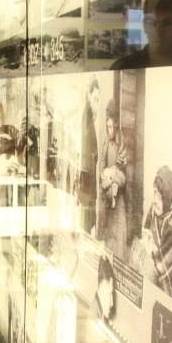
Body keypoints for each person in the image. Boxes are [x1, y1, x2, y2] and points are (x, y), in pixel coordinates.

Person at [145, 166, 172, 303]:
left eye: (160, 197)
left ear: (167, 199)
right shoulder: (154, 209)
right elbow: (146, 231)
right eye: (154, 193)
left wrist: (151, 251)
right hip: (152, 268)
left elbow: (161, 267)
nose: (155, 200)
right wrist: (146, 242)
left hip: (169, 284)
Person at [98, 99, 128, 260]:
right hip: (107, 199)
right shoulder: (104, 143)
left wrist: (112, 176)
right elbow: (101, 170)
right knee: (106, 244)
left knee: (118, 245)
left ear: (116, 124)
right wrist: (105, 178)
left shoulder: (121, 143)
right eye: (107, 126)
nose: (109, 130)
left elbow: (123, 175)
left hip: (119, 201)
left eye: (111, 127)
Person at [78, 78, 100, 235]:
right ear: (88, 96)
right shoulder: (87, 117)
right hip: (87, 177)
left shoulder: (89, 117)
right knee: (86, 221)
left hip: (87, 176)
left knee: (87, 221)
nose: (96, 104)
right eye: (95, 99)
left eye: (98, 100)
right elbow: (89, 151)